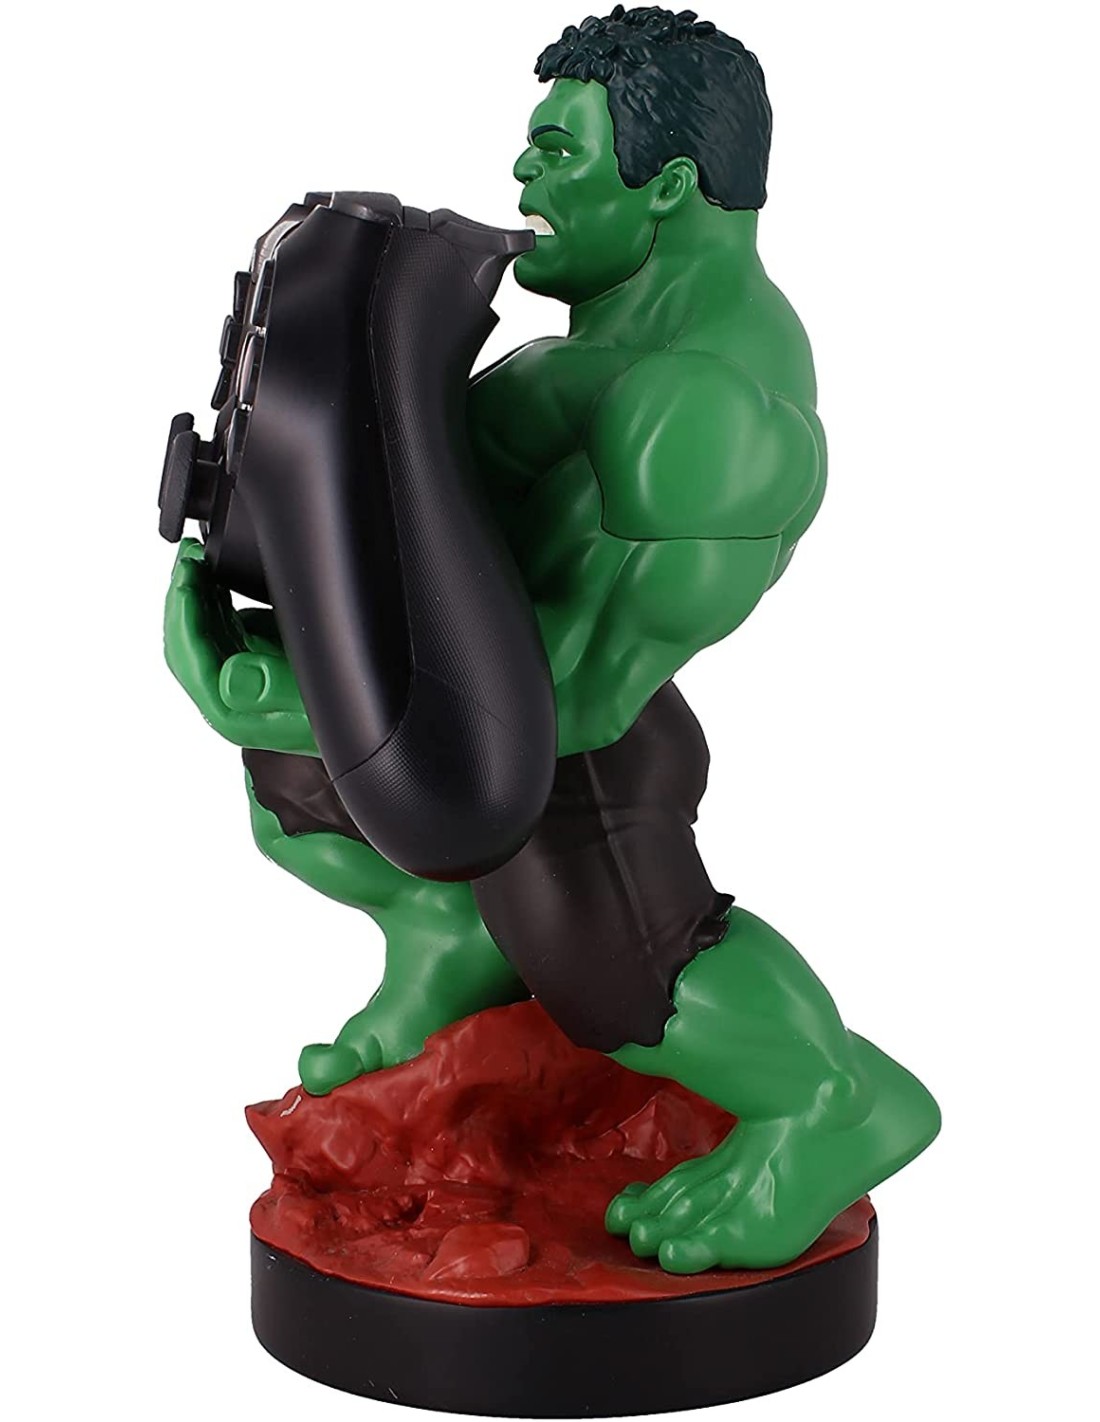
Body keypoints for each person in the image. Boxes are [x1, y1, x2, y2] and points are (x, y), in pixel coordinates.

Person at [165, 6, 939, 1272]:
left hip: (576, 739)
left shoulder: (703, 417)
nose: (525, 177)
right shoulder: (581, 362)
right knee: (298, 794)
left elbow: (554, 715)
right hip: (508, 689)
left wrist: (281, 694)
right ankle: (449, 943)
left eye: (560, 151)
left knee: (606, 958)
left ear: (668, 185)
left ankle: (828, 1103)